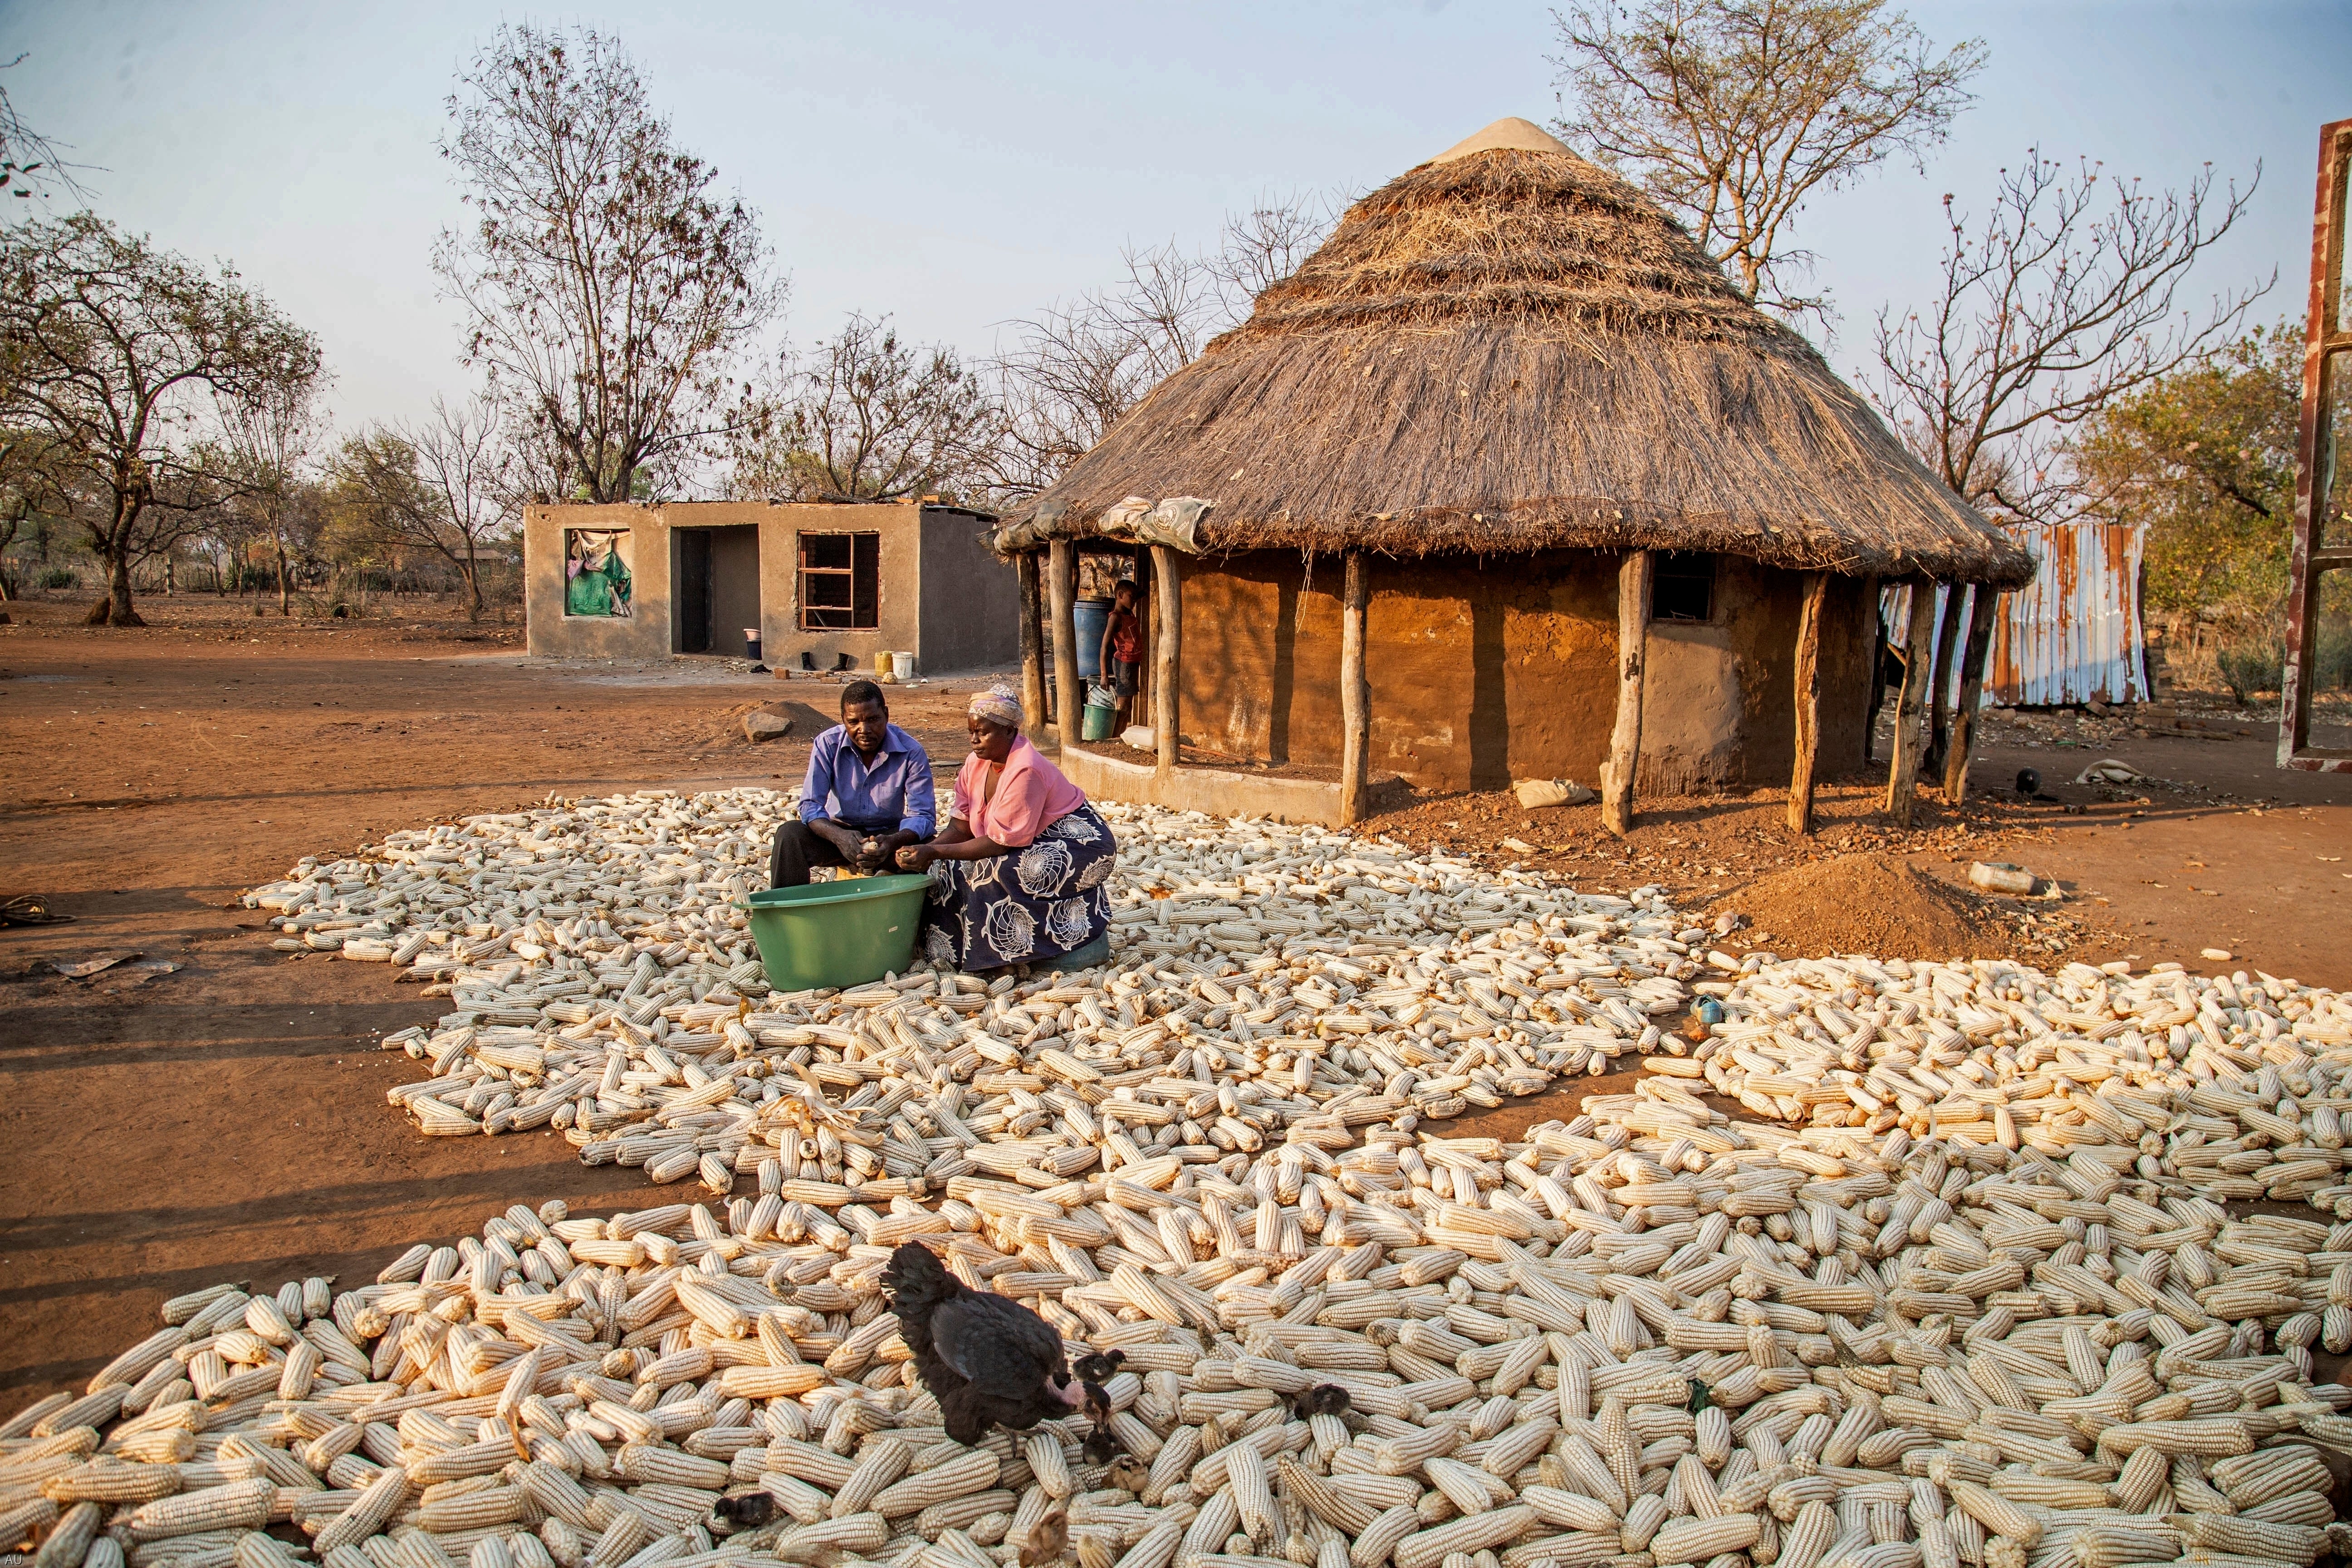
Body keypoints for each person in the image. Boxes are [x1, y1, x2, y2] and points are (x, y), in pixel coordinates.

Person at [896, 685, 1115, 970]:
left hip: (1078, 842)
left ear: (1010, 732)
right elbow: (960, 827)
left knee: (992, 872)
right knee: (942, 869)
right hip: (1026, 838)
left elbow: (1000, 844)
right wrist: (927, 851)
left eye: (983, 732)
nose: (975, 740)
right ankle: (951, 952)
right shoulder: (975, 764)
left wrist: (935, 850)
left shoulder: (1026, 769)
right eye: (971, 732)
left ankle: (1006, 955)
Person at [771, 681, 936, 886]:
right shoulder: (827, 744)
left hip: (889, 837)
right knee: (790, 835)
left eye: (873, 720)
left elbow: (923, 815)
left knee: (932, 846)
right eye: (854, 722)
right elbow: (811, 805)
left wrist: (892, 841)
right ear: (843, 720)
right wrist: (840, 837)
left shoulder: (911, 751)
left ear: (886, 714)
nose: (864, 729)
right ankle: (787, 912)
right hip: (838, 835)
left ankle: (915, 908)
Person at [1096, 578, 1142, 730]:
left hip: (1132, 663)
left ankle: (1120, 734)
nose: (1134, 600)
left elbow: (1139, 595)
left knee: (1128, 703)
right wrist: (1104, 675)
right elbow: (1104, 647)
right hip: (1124, 664)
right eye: (1131, 597)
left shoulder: (1129, 612)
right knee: (1124, 703)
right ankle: (1116, 735)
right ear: (1120, 595)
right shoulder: (1115, 617)